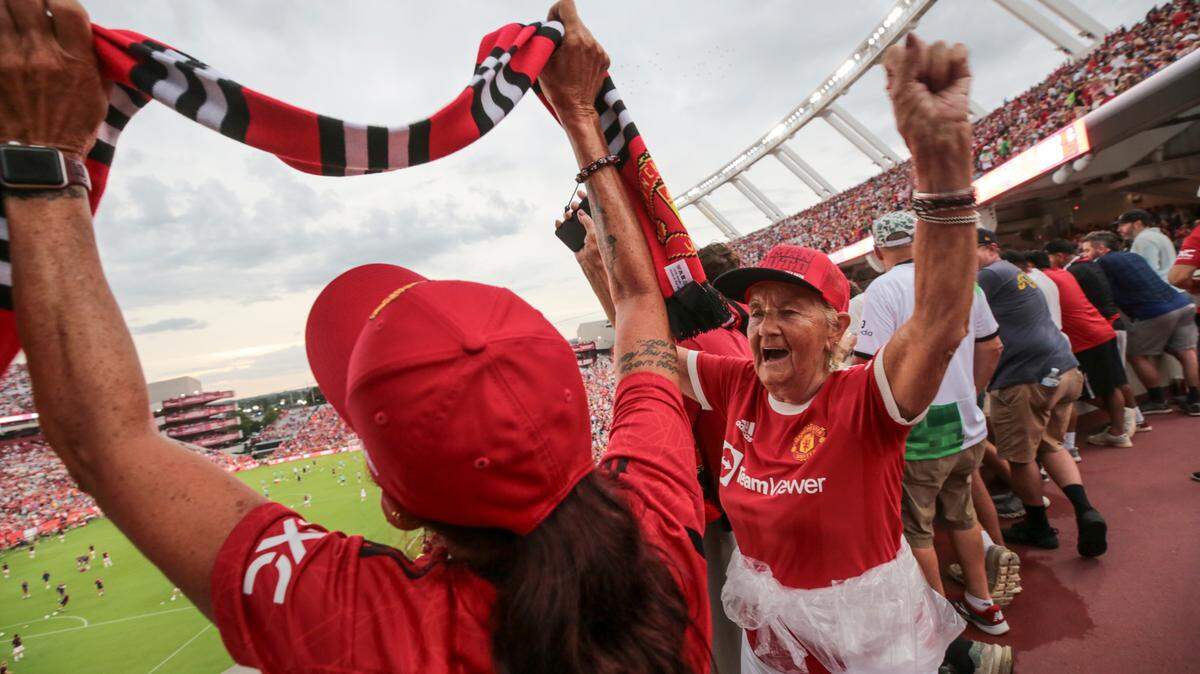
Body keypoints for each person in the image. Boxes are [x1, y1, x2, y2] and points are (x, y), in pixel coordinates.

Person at [1, 2, 711, 672]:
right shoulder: (653, 501)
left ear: (394, 504)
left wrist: (45, 151)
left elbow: (107, 442)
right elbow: (640, 298)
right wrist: (583, 115)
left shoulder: (372, 626)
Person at [675, 36, 1010, 674]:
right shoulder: (738, 383)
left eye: (789, 311)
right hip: (769, 635)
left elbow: (940, 321)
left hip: (869, 641)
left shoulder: (865, 399)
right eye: (757, 312)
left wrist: (941, 169)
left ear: (836, 330)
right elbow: (647, 352)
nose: (764, 325)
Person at [558, 194, 752, 674]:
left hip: (723, 524)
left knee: (727, 645)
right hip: (740, 510)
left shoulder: (709, 343)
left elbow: (656, 379)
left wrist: (612, 282)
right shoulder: (736, 331)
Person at [855, 211, 1016, 634]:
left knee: (917, 530)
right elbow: (992, 346)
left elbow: (868, 366)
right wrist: (972, 394)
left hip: (918, 428)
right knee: (963, 515)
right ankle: (985, 605)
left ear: (877, 252)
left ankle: (941, 623)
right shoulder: (962, 280)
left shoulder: (883, 287)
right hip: (967, 423)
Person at [977, 230, 1107, 558]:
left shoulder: (988, 276)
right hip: (1060, 368)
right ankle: (1084, 509)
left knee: (1020, 458)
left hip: (1025, 377)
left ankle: (1038, 524)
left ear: (991, 247)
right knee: (1049, 444)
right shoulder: (1014, 272)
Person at [1082, 231, 1200, 416]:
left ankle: (1158, 400)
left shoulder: (1101, 264)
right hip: (1181, 304)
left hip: (1152, 311)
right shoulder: (1133, 255)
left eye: (1087, 250)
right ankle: (1195, 400)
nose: (1084, 255)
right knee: (1186, 351)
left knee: (1136, 355)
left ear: (1102, 249)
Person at [1029, 252, 1131, 448]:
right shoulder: (1063, 273)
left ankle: (1117, 429)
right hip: (1100, 330)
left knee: (1079, 392)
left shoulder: (1042, 280)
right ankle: (1121, 426)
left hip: (1085, 340)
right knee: (1112, 386)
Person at [1045, 240, 1144, 435]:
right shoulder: (1080, 268)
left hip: (1091, 334)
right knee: (1116, 380)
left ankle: (1121, 427)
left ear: (1059, 255)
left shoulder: (1064, 274)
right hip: (1106, 326)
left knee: (1100, 387)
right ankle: (1134, 421)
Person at [1117, 209, 1178, 282]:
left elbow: (1148, 271)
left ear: (1137, 224)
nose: (1118, 229)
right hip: (1169, 286)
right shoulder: (1155, 235)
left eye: (1122, 225)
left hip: (1161, 289)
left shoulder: (1144, 239)